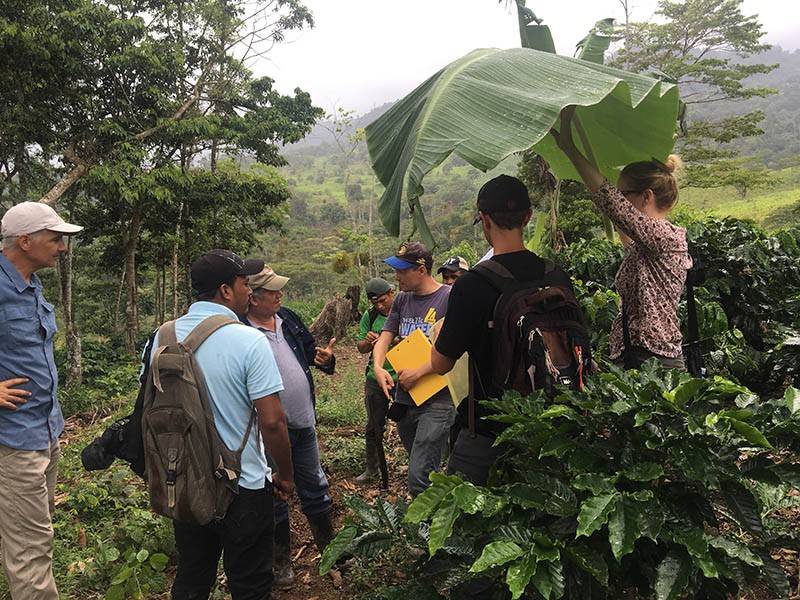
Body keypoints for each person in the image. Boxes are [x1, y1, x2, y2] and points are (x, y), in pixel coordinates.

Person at [152, 249, 294, 600]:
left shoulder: (163, 336)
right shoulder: (249, 340)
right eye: (245, 284)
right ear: (226, 290)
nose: (249, 292)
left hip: (186, 481)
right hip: (243, 485)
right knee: (251, 582)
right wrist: (285, 475)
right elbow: (272, 421)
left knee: (193, 574)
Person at [552, 106, 691, 369]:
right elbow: (617, 214)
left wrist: (570, 148)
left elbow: (611, 203)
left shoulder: (665, 237)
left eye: (624, 194)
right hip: (638, 354)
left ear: (646, 196)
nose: (621, 202)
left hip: (654, 358)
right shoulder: (648, 244)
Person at [0, 202, 82, 600]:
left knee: (32, 531)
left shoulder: (30, 284)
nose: (62, 248)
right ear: (25, 241)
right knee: (31, 546)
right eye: (55, 239)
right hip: (13, 440)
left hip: (44, 430)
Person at [245, 265, 336, 590]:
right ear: (253, 298)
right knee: (275, 496)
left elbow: (309, 351)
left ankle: (331, 550)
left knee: (315, 487)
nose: (280, 294)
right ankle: (280, 561)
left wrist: (323, 359)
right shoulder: (240, 331)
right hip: (266, 431)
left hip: (303, 422)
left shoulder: (288, 318)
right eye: (273, 291)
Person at [372, 242, 454, 497]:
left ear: (421, 270)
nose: (396, 277)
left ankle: (428, 520)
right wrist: (378, 367)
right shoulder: (402, 300)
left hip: (439, 399)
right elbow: (386, 336)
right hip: (407, 397)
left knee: (418, 476)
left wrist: (419, 372)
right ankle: (440, 506)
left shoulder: (449, 298)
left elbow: (454, 350)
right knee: (424, 467)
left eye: (402, 271)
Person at [355, 277, 396, 484]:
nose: (379, 306)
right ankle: (373, 469)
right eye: (375, 303)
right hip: (375, 378)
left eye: (382, 301)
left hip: (402, 376)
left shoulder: (403, 311)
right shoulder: (369, 316)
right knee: (373, 427)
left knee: (411, 422)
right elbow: (361, 347)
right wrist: (368, 341)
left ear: (391, 293)